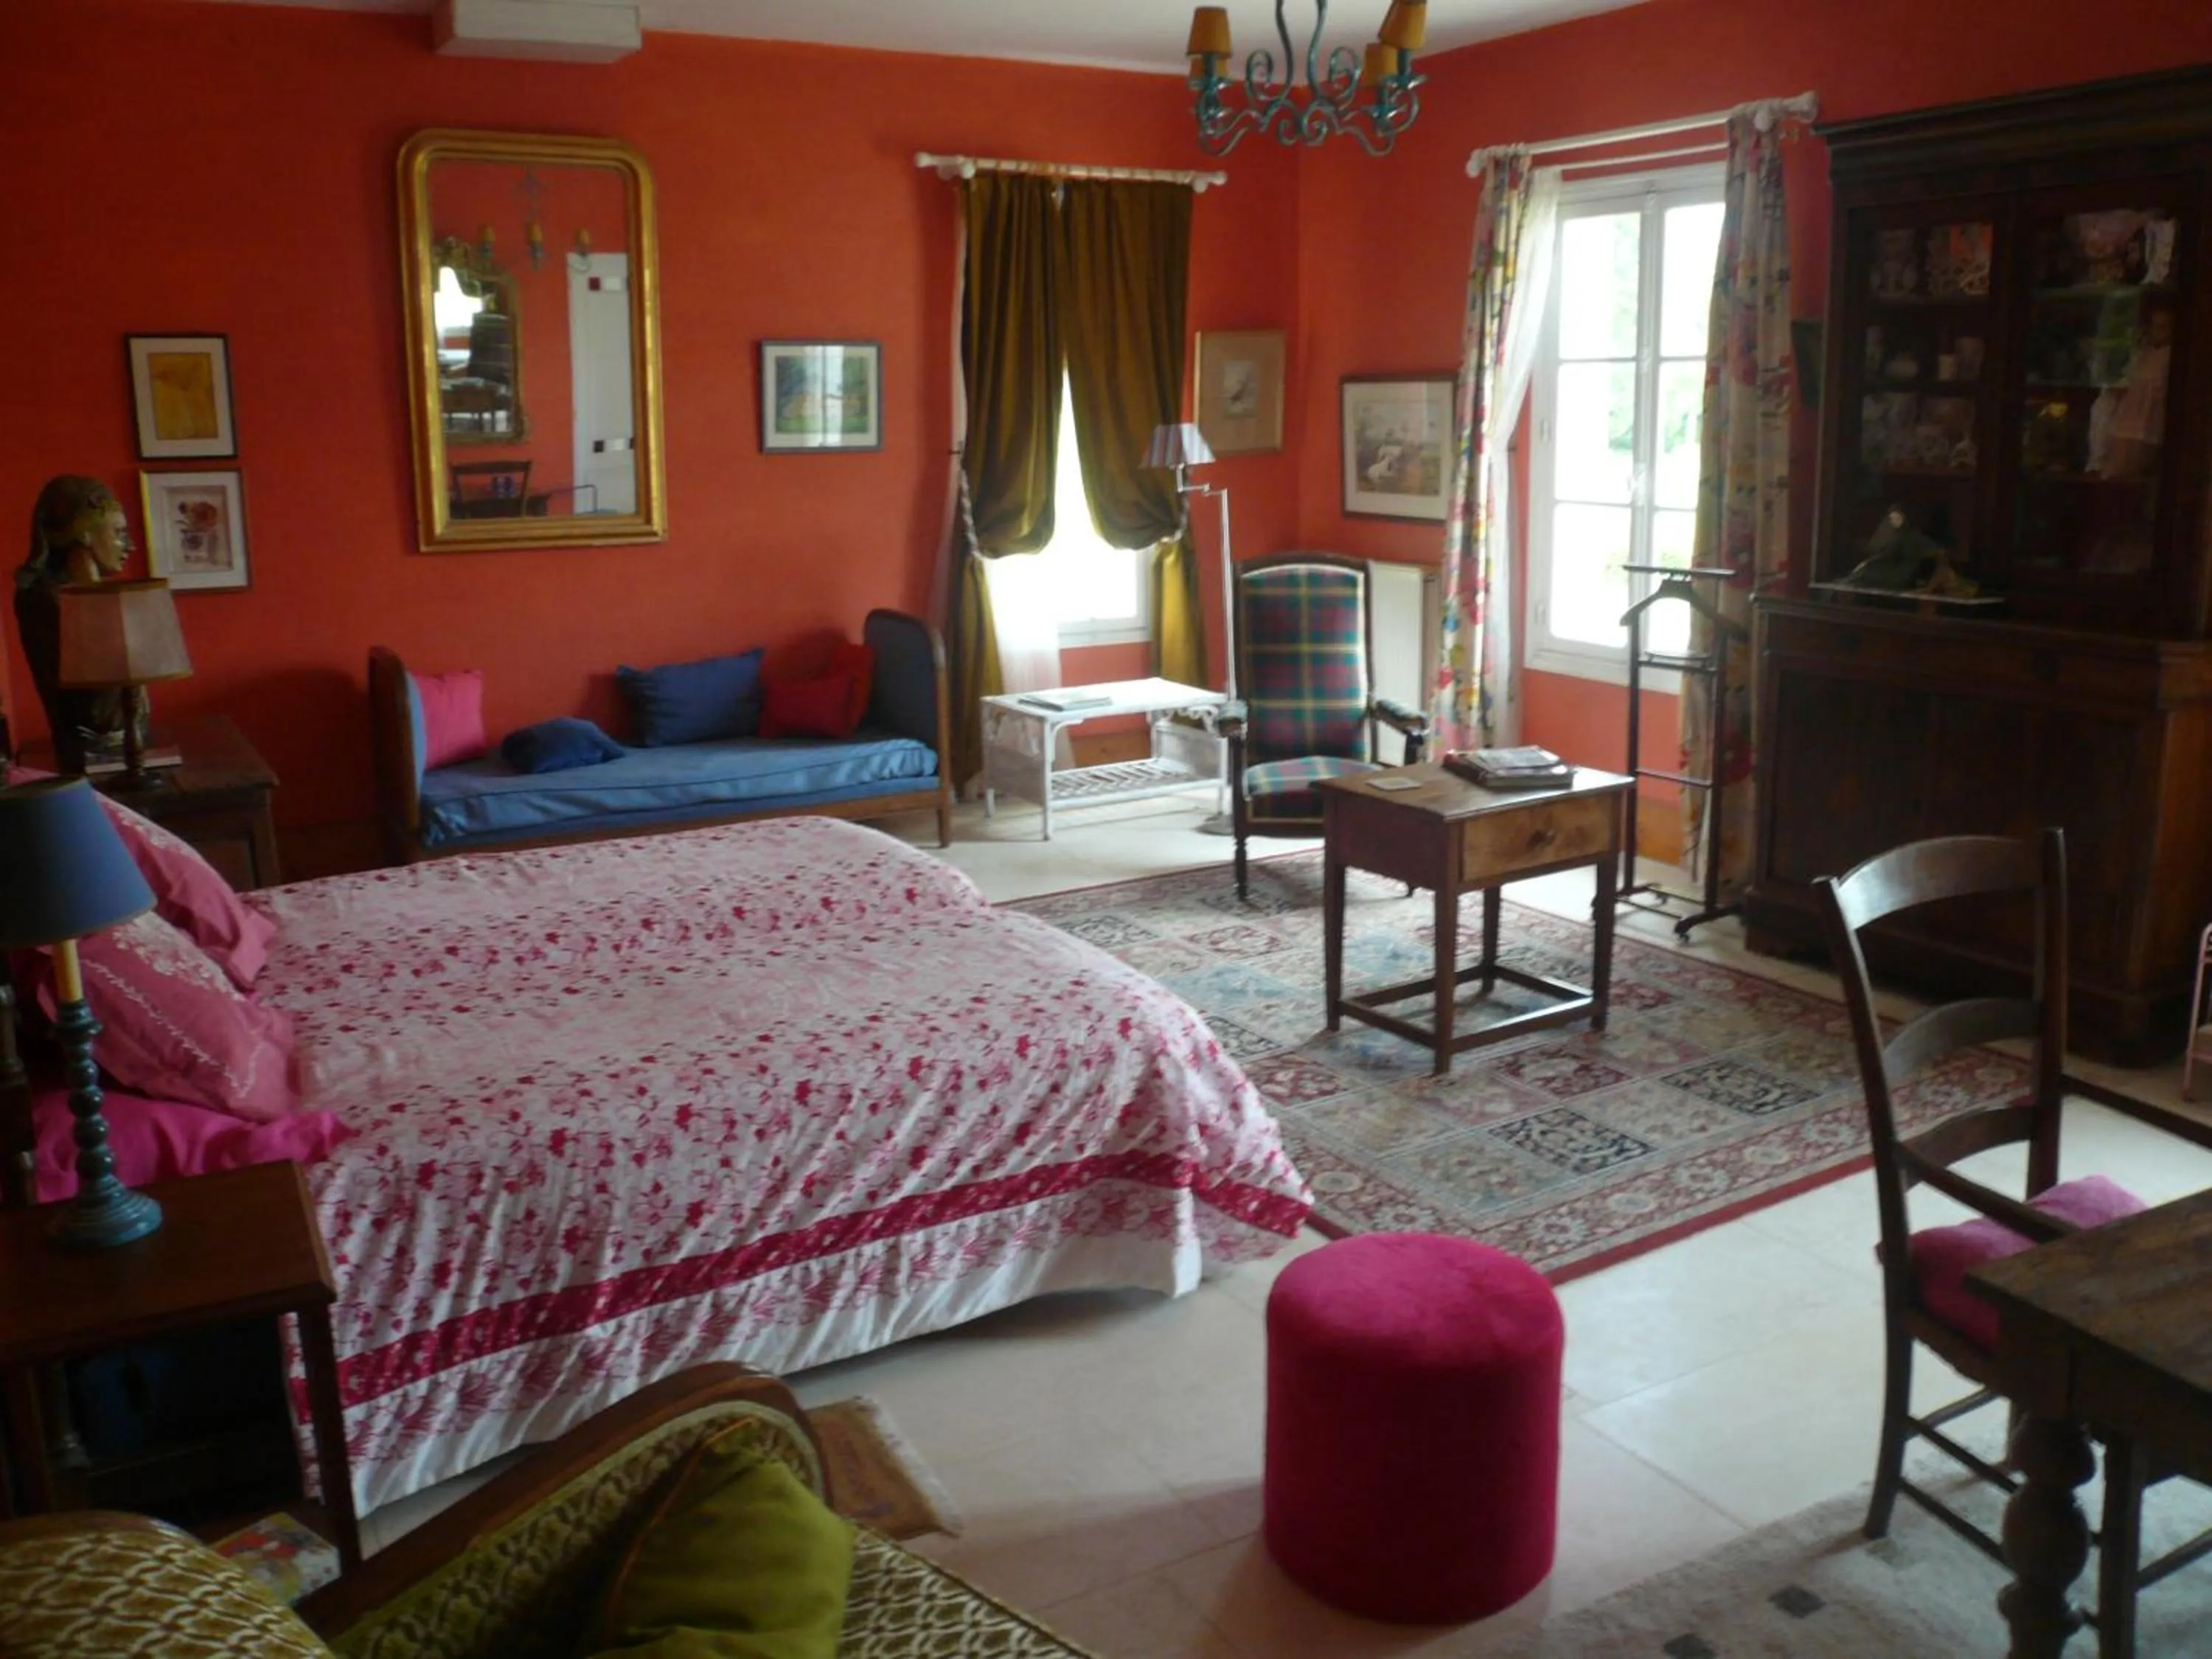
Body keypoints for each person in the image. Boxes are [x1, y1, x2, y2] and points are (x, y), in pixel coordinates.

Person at [13, 476, 136, 771]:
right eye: (119, 533)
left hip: (120, 751)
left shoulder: (82, 596)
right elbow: (99, 710)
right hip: (94, 756)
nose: (130, 546)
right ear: (83, 533)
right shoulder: (49, 601)